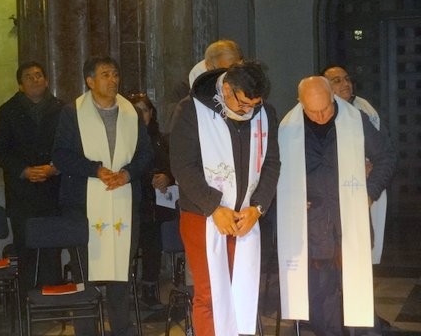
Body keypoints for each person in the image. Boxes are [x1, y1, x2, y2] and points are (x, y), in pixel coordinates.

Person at [276, 76, 396, 335]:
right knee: (322, 303)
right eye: (313, 111)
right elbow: (272, 171)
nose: (320, 117)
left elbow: (386, 157)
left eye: (326, 108)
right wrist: (290, 197)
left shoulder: (356, 120)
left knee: (359, 297)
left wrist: (370, 193)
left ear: (333, 98)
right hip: (312, 229)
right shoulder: (287, 129)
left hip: (350, 224)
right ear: (300, 104)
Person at [170, 61, 280, 335]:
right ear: (227, 89)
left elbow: (272, 163)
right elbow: (183, 166)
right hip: (203, 216)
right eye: (243, 103)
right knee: (211, 293)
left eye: (255, 104)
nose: (248, 111)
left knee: (241, 290)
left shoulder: (265, 113)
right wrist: (213, 207)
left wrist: (257, 207)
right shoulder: (191, 110)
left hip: (245, 217)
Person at [52, 56, 153, 335]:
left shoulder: (130, 112)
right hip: (81, 204)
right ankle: (85, 329)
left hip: (124, 200)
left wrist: (128, 173)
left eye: (115, 74)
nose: (113, 80)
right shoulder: (72, 112)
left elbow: (146, 153)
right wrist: (94, 170)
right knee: (86, 272)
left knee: (121, 269)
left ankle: (121, 328)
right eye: (106, 75)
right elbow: (60, 155)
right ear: (90, 81)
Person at [0, 61, 64, 295]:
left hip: (53, 189)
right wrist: (23, 170)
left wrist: (54, 167)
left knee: (52, 248)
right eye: (28, 76)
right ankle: (28, 299)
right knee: (26, 247)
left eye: (39, 75)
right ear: (21, 85)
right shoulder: (7, 111)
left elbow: (70, 145)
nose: (35, 79)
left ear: (47, 80)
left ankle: (53, 298)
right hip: (21, 192)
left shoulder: (63, 109)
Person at [322, 65, 386, 264]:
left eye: (347, 79)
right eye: (337, 81)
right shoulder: (310, 115)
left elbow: (384, 149)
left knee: (362, 253)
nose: (346, 84)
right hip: (326, 202)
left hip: (364, 187)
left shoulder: (362, 109)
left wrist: (371, 171)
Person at [129, 92, 175, 310]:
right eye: (136, 110)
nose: (141, 115)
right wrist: (150, 179)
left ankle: (149, 289)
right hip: (134, 201)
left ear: (151, 113)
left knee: (152, 243)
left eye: (144, 110)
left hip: (158, 205)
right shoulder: (126, 137)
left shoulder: (161, 138)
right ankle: (126, 292)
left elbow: (175, 165)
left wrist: (167, 176)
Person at [165, 39, 244, 131]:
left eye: (236, 71)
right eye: (225, 71)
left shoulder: (243, 89)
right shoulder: (183, 90)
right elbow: (173, 128)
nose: (230, 77)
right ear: (210, 67)